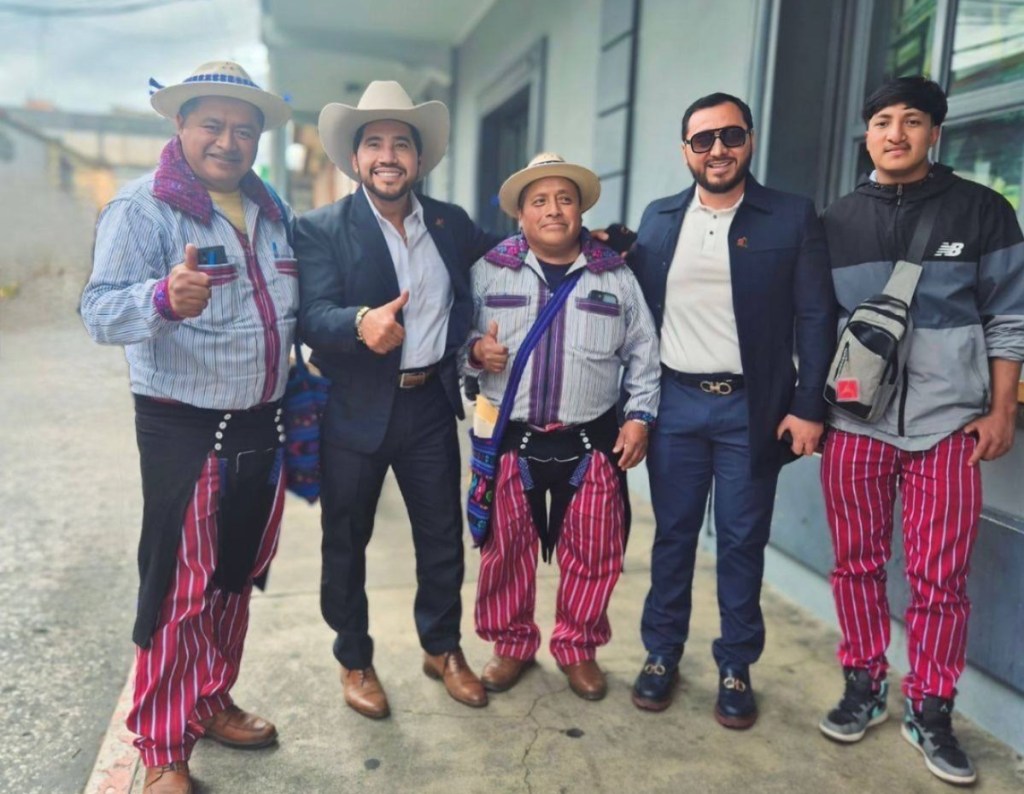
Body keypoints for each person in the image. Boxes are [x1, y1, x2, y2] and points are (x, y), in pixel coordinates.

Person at [80, 61, 294, 794]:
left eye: (243, 129)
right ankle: (163, 748)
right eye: (212, 124)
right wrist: (161, 298)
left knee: (234, 580)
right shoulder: (142, 209)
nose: (228, 141)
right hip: (184, 429)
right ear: (181, 126)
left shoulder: (271, 211)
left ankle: (209, 699)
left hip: (264, 426)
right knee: (180, 588)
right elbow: (98, 311)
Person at [817, 76, 1024, 786]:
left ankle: (931, 706)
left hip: (949, 428)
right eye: (881, 120)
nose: (895, 133)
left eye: (911, 121)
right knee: (857, 564)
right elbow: (816, 325)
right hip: (853, 425)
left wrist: (1001, 408)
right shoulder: (837, 220)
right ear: (866, 133)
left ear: (935, 132)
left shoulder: (985, 210)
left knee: (941, 579)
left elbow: (1009, 317)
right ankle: (863, 681)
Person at [627, 92, 836, 727]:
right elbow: (630, 302)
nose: (718, 149)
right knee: (674, 536)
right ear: (685, 150)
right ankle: (662, 653)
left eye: (731, 135)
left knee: (744, 541)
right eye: (703, 140)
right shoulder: (660, 218)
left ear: (749, 139)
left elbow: (816, 316)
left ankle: (736, 662)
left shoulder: (791, 216)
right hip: (678, 405)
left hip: (753, 409)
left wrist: (808, 405)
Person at [295, 81, 497, 718]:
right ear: (355, 160)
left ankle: (442, 648)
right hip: (352, 407)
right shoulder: (322, 228)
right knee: (345, 539)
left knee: (440, 537)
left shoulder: (450, 223)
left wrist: (591, 241)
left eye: (401, 144)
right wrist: (359, 323)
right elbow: (311, 315)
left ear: (419, 159)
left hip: (429, 405)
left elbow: (507, 261)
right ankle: (354, 658)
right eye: (375, 144)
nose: (389, 156)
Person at [463, 153, 660, 700]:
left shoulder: (615, 277)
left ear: (580, 211)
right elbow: (455, 345)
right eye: (540, 201)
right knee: (505, 552)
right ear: (521, 215)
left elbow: (644, 352)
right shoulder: (488, 271)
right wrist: (476, 353)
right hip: (511, 442)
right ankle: (510, 644)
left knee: (596, 551)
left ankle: (578, 648)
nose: (554, 210)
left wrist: (640, 417)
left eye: (565, 199)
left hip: (591, 442)